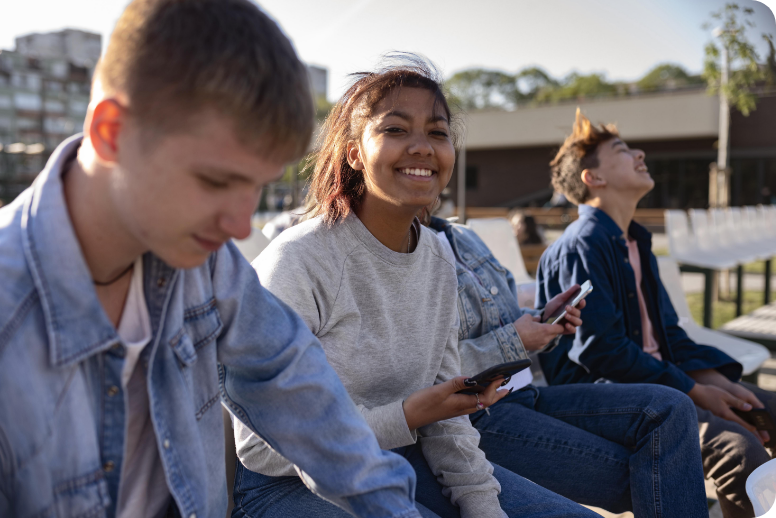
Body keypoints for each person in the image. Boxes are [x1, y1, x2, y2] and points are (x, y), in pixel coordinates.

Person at [0, 2, 424, 517]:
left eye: (255, 186)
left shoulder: (201, 258)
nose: (240, 226)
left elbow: (288, 379)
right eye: (215, 182)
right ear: (112, 132)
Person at [231, 57, 601, 518]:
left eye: (438, 133)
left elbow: (448, 424)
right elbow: (261, 448)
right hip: (286, 487)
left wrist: (485, 508)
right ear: (353, 153)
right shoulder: (300, 260)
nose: (422, 148)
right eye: (395, 130)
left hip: (403, 459)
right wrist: (406, 416)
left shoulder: (440, 258)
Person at [536, 108, 775, 518]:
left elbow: (670, 334)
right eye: (623, 150)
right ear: (594, 178)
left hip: (661, 381)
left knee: (761, 407)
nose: (640, 154)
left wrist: (718, 383)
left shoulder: (636, 242)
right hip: (607, 392)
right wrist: (696, 392)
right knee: (739, 451)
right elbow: (602, 351)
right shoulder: (583, 244)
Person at [427, 215, 709, 517]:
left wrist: (542, 319)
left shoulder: (461, 234)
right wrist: (514, 340)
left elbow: (501, 317)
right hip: (478, 413)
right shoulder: (415, 251)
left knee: (670, 407)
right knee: (661, 470)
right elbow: (426, 369)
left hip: (524, 391)